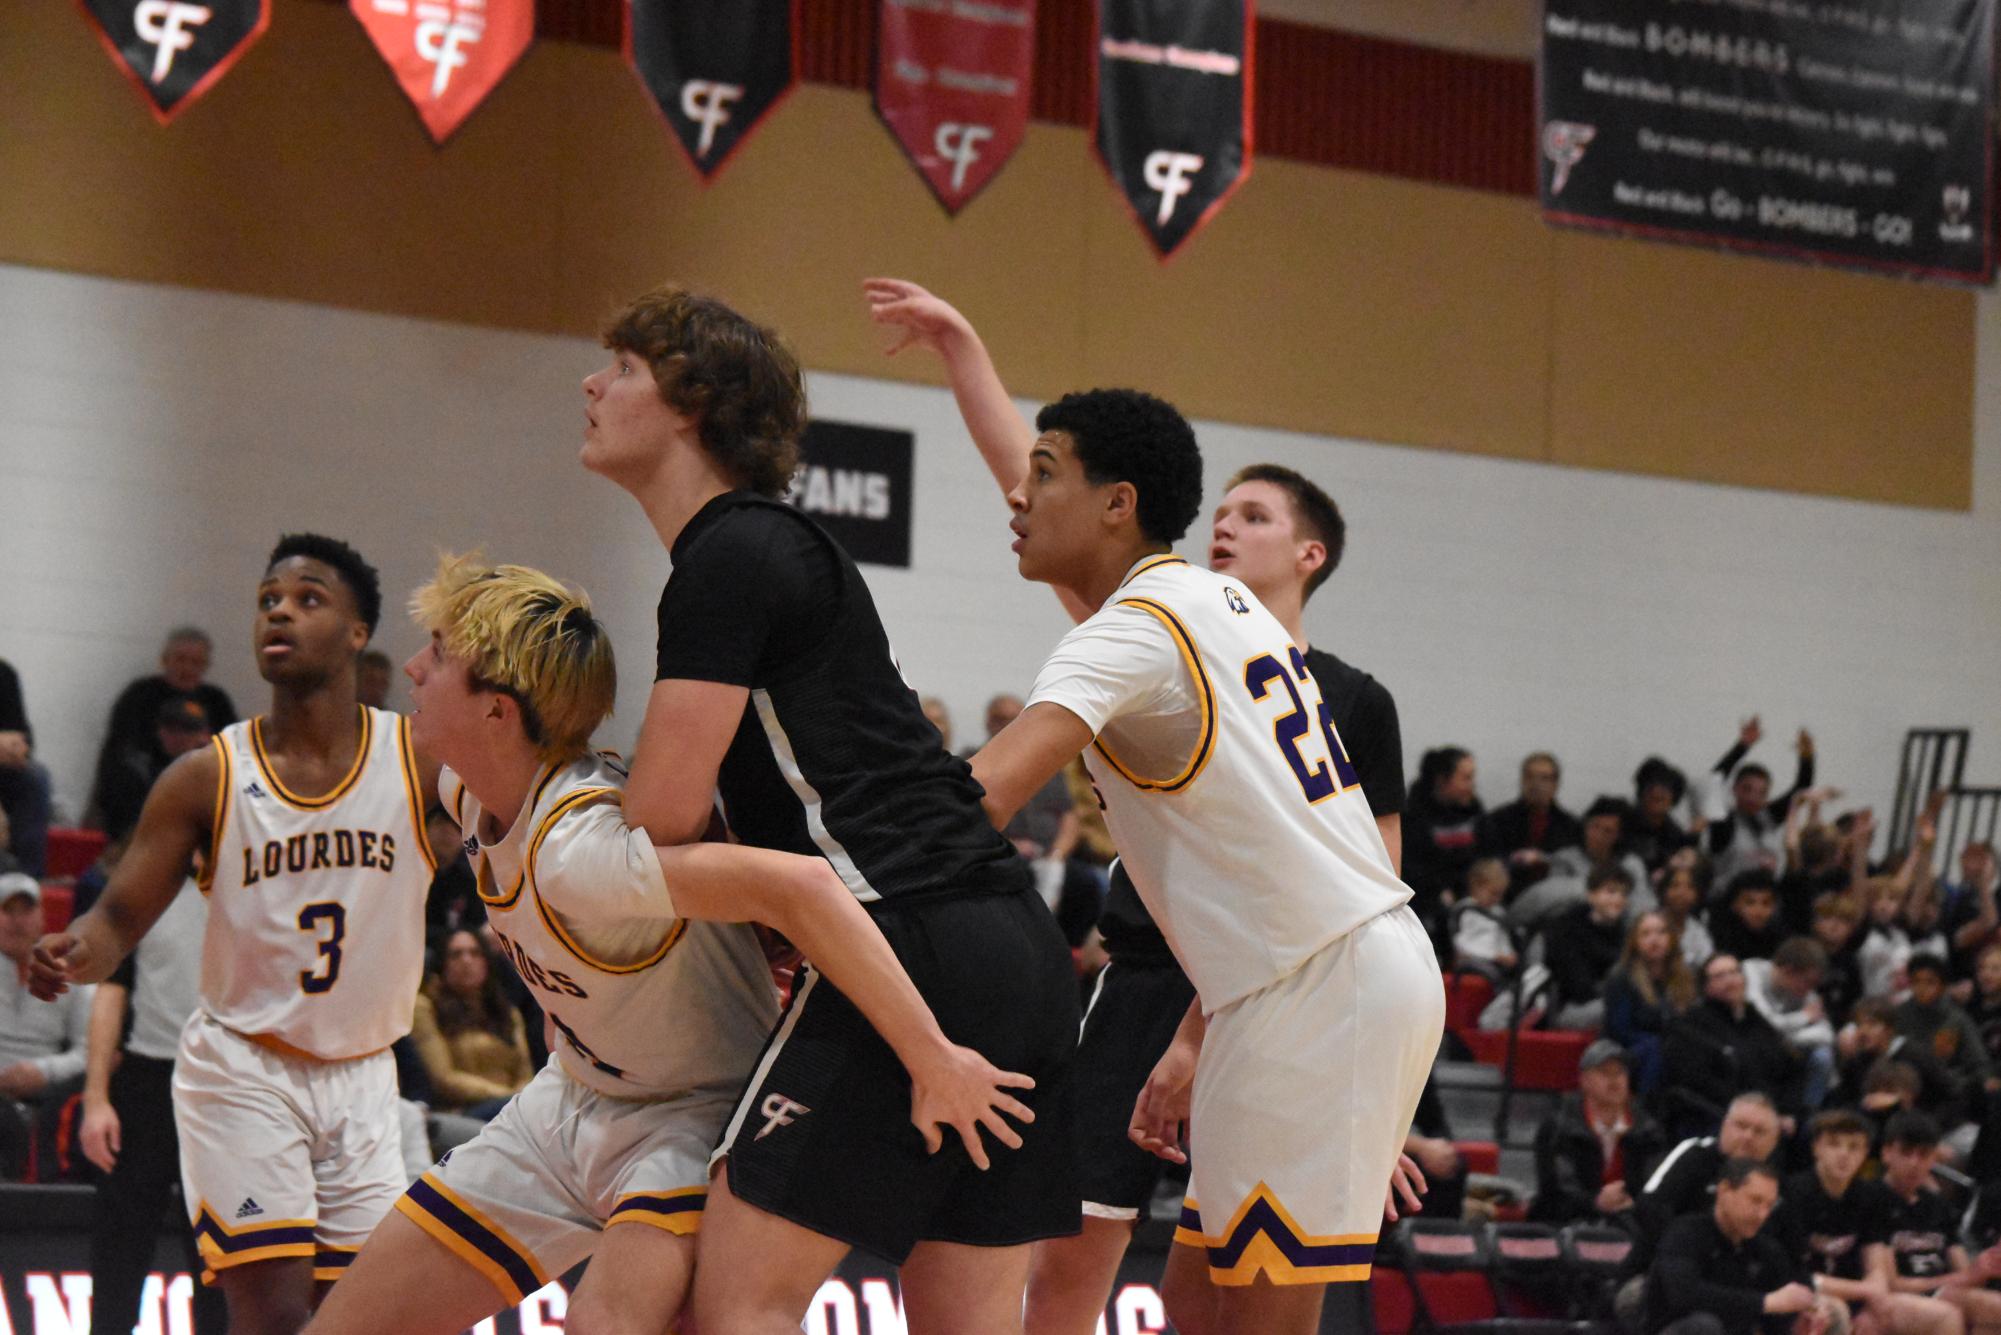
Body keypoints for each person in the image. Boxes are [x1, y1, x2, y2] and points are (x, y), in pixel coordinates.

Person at [864, 276, 1417, 1335]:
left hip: (1312, 982)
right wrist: (966, 351)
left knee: (1255, 1322)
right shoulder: (1202, 602)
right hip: (1283, 981)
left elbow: (973, 800)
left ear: (1117, 503)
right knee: (1192, 1306)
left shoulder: (1134, 632)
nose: (1020, 501)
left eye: (1045, 478)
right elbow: (1032, 491)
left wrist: (823, 893)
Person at [306, 554, 1035, 1335]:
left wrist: (933, 1056)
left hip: (690, 1115)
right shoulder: (473, 786)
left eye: (440, 655)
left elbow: (805, 888)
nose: (413, 667)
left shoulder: (583, 850)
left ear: (498, 711)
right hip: (565, 1104)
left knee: (601, 1324)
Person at [580, 286, 1079, 1335]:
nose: (593, 385)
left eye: (621, 368)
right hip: (1018, 951)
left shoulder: (727, 553)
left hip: (905, 937)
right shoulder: (778, 547)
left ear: (691, 403)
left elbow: (659, 819)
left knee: (737, 1312)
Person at [29, 534, 436, 1335]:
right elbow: (116, 918)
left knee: (362, 1316)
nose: (279, 609)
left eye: (308, 597)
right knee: (273, 1310)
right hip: (246, 1066)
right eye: (267, 600)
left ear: (358, 633)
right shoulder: (208, 774)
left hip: (362, 1075)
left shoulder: (418, 759)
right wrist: (75, 948)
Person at [79, 873, 228, 1334]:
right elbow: (111, 989)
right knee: (120, 1247)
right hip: (147, 1082)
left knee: (218, 1256)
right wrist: (96, 1098)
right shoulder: (147, 888)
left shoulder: (253, 884)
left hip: (227, 1087)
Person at [1772, 1109, 1960, 1335]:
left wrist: (1873, 1301)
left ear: (1864, 1153)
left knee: (1944, 1315)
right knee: (1836, 1312)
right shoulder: (1793, 1192)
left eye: (1853, 1147)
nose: (1844, 1154)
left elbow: (1876, 1264)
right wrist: (1866, 1291)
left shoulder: (1869, 1195)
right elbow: (1795, 1273)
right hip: (1803, 1292)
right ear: (1816, 1148)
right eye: (1834, 1144)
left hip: (1858, 1294)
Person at [1645, 1157, 1843, 1335]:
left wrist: (1805, 1314)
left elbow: (1787, 1297)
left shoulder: (1766, 1249)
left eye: (1769, 1205)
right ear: (1724, 1191)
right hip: (1676, 1328)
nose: (1762, 1214)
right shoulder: (1686, 1232)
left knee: (1834, 1313)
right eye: (1755, 1201)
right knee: (1704, 1326)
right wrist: (1765, 1302)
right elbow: (1684, 1295)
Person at [89, 626, 239, 824]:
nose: (187, 668)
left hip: (198, 778)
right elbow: (122, 746)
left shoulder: (216, 701)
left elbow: (232, 751)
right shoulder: (140, 694)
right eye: (180, 659)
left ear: (206, 665)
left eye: (195, 662)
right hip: (148, 779)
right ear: (164, 660)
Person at [1, 873, 93, 1180]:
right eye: (6, 911)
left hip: (49, 1095)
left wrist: (42, 1071)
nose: (16, 921)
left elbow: (90, 1052)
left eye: (25, 911)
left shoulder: (70, 974)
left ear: (42, 917)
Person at [1878, 1111, 2001, 1330]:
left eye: (1924, 1155)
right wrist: (1961, 1279)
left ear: (1934, 1157)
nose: (1914, 1163)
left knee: (1992, 1309)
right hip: (1899, 1297)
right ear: (1887, 1153)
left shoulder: (1939, 1206)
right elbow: (1890, 1283)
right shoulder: (1871, 1199)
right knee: (1955, 1312)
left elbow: (1964, 1270)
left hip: (1942, 1292)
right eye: (1906, 1153)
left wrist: (1985, 1267)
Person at [1529, 1039, 1666, 1230]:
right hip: (1565, 1223)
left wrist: (1632, 1204)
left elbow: (1653, 1184)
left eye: (1620, 1072)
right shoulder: (1559, 1127)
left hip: (1628, 1222)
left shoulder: (1647, 1129)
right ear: (1584, 1081)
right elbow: (1556, 1189)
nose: (1614, 1080)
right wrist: (1595, 1202)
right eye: (1604, 1072)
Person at [1663, 956, 1804, 1134]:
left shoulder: (1755, 1020)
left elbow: (1790, 1066)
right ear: (1706, 986)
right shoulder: (1694, 1025)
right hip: (1723, 1117)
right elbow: (1699, 1082)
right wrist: (1754, 1112)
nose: (1730, 980)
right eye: (1720, 976)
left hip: (1772, 1114)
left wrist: (1787, 1110)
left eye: (1734, 972)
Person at [408, 929, 533, 1119]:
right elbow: (444, 1078)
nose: (466, 961)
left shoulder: (507, 1011)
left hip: (511, 1106)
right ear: (442, 964)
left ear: (486, 962)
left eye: (475, 953)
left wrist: (520, 1097)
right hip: (460, 1111)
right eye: (456, 954)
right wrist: (508, 1097)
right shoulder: (425, 1007)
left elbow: (525, 1072)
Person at [1707, 718, 1816, 888]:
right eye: (1747, 789)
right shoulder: (1723, 822)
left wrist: (1807, 757)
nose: (1753, 797)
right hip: (1726, 907)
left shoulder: (1768, 818)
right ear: (1734, 789)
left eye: (1761, 793)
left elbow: (1801, 790)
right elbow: (1713, 782)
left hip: (1765, 904)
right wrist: (1742, 746)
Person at [97, 692, 216, 843]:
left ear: (206, 735)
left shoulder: (214, 775)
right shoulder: (136, 771)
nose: (179, 737)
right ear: (160, 731)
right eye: (172, 729)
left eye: (188, 729)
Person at [1603, 910, 1699, 1096]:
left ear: (1672, 938)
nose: (1654, 940)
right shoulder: (1621, 977)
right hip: (1631, 1050)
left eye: (1661, 932)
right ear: (1635, 941)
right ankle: (1648, 1112)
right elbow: (1619, 1031)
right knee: (1656, 1048)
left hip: (1674, 1047)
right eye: (1646, 934)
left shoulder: (1686, 975)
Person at [1743, 938, 1838, 1109]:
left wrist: (1785, 1037)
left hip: (1785, 1047)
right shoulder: (1751, 972)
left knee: (1823, 1056)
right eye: (1807, 982)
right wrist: (1803, 1018)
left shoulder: (1805, 992)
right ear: (1788, 971)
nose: (1810, 990)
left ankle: (1809, 1113)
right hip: (1749, 1040)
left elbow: (1827, 1034)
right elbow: (1762, 1021)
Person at [1543, 865, 1633, 1030]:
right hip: (1572, 1008)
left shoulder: (1625, 932)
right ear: (1591, 895)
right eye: (1611, 891)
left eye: (1623, 894)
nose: (1618, 899)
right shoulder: (1566, 930)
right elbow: (1580, 989)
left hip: (1608, 999)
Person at [1476, 751, 1581, 893]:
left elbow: (1574, 867)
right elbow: (1487, 863)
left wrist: (1545, 860)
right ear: (1521, 780)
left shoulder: (1571, 826)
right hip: (1507, 897)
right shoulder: (1498, 820)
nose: (1535, 784)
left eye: (1544, 778)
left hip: (1554, 900)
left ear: (1556, 784)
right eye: (1529, 777)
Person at [1403, 746, 1482, 931]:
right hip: (1427, 906)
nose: (1472, 785)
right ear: (1442, 780)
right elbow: (1413, 868)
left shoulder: (1473, 810)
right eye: (1466, 778)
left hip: (1471, 897)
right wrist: (1439, 891)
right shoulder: (1413, 816)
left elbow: (1486, 854)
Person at [0, 658, 51, 877]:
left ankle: (26, 880)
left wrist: (17, 748)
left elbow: (24, 736)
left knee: (35, 777)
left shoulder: (4, 674)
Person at [1451, 857, 1517, 982]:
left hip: (1497, 963)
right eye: (1493, 893)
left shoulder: (1498, 912)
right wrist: (1494, 956)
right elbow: (1462, 945)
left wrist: (1508, 954)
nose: (1497, 899)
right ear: (1476, 886)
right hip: (1472, 963)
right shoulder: (1465, 910)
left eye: (1500, 895)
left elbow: (1502, 938)